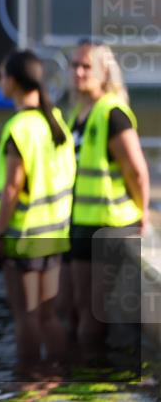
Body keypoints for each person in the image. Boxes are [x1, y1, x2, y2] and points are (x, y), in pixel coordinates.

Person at [0, 50, 75, 369]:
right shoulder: (56, 122)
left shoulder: (20, 128)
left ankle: (28, 384)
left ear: (12, 82)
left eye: (2, 76)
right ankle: (58, 381)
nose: (0, 81)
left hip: (23, 237)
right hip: (55, 234)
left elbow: (12, 187)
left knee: (26, 317)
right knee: (48, 315)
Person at [66, 40, 150, 352]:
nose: (78, 72)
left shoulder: (112, 113)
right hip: (81, 222)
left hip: (110, 223)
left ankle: (92, 386)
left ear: (104, 73)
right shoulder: (78, 113)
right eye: (74, 65)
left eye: (86, 66)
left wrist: (143, 216)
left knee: (92, 314)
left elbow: (136, 170)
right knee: (73, 307)